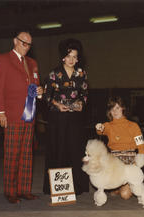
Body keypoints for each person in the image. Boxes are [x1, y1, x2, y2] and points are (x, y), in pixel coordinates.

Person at [0, 31, 43, 204]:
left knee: (27, 155)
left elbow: (35, 85)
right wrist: (0, 112)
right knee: (12, 154)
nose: (26, 47)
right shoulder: (3, 59)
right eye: (23, 43)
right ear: (15, 41)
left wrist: (40, 92)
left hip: (29, 116)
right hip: (12, 115)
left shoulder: (32, 63)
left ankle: (24, 190)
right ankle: (10, 191)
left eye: (29, 44)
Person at [42, 38, 89, 195]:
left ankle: (77, 187)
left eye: (75, 57)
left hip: (75, 118)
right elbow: (47, 96)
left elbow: (84, 93)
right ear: (63, 57)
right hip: (58, 119)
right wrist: (57, 105)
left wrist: (81, 103)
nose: (72, 60)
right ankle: (59, 189)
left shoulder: (81, 73)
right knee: (59, 150)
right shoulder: (54, 74)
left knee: (75, 150)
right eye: (69, 56)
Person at [95, 96, 144, 199]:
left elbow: (141, 146)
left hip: (129, 161)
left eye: (117, 108)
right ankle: (118, 186)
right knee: (112, 190)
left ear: (123, 109)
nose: (115, 111)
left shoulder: (133, 126)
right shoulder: (108, 125)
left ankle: (125, 185)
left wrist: (139, 161)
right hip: (114, 162)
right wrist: (98, 127)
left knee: (125, 196)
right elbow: (100, 130)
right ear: (109, 111)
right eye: (112, 108)